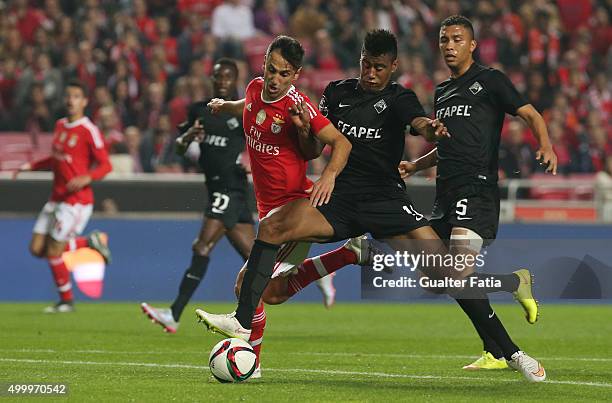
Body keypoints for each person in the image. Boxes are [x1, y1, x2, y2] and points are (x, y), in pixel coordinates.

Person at [197, 29, 548, 382]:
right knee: (272, 226)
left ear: (393, 67)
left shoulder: (400, 98)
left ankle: (514, 353)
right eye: (366, 64)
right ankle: (243, 321)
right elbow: (313, 150)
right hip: (340, 200)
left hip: (386, 201)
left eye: (379, 67)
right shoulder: (337, 92)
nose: (370, 73)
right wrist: (305, 131)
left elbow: (418, 123)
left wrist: (429, 129)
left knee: (450, 275)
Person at [398, 15, 557, 374]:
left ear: (471, 45)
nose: (449, 46)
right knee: (434, 279)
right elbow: (447, 145)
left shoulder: (490, 80)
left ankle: (513, 354)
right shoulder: (442, 91)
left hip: (478, 189)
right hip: (445, 194)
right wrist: (415, 166)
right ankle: (513, 284)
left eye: (456, 39)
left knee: (456, 274)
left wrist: (545, 144)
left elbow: (531, 114)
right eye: (443, 40)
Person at [198, 36, 354, 377]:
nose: (275, 79)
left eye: (284, 74)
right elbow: (249, 104)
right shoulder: (255, 88)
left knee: (246, 285)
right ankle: (348, 254)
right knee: (274, 292)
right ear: (264, 63)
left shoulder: (300, 107)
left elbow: (339, 142)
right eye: (271, 69)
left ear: (296, 74)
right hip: (270, 210)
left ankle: (249, 358)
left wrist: (327, 176)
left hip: (294, 209)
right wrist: (225, 106)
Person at [140, 59, 257, 334]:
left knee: (201, 246)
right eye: (218, 77)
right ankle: (308, 273)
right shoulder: (199, 111)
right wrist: (189, 136)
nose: (222, 82)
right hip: (218, 189)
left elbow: (260, 142)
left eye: (228, 77)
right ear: (212, 79)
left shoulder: (242, 113)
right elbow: (179, 149)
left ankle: (174, 313)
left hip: (230, 188)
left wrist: (250, 161)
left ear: (236, 79)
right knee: (256, 259)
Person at [13, 80, 112, 313]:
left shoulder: (89, 130)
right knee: (37, 248)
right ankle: (89, 242)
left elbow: (106, 165)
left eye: (76, 96)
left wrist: (88, 177)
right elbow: (55, 158)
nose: (70, 100)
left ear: (85, 102)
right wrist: (32, 166)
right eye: (68, 96)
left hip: (76, 201)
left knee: (53, 251)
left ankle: (66, 301)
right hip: (56, 198)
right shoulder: (60, 125)